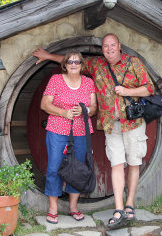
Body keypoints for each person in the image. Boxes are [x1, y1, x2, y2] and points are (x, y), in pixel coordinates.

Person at [33, 33, 155, 229]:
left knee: (131, 162)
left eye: (112, 45)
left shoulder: (132, 63)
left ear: (119, 45)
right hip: (105, 125)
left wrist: (126, 91)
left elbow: (150, 89)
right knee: (113, 164)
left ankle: (128, 205)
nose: (109, 49)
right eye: (105, 46)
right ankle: (116, 207)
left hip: (129, 123)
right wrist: (48, 56)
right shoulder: (94, 66)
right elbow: (68, 64)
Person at [40, 52, 97, 224]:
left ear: (82, 65)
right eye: (70, 61)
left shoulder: (88, 82)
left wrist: (85, 111)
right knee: (54, 167)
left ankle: (73, 207)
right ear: (65, 64)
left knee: (76, 169)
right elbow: (45, 104)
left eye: (77, 61)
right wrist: (64, 112)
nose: (73, 64)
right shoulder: (56, 79)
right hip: (57, 129)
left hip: (80, 132)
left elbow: (93, 107)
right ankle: (53, 208)